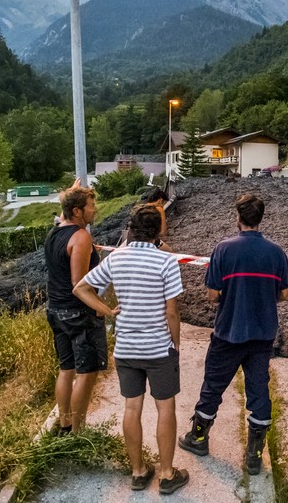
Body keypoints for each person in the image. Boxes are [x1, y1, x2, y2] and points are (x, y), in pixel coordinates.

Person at [73, 204, 189, 495]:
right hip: (158, 348)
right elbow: (172, 313)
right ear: (157, 231)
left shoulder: (116, 258)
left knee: (132, 407)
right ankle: (166, 474)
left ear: (132, 228)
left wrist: (108, 311)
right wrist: (176, 342)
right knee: (165, 409)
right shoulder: (166, 262)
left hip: (126, 348)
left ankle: (138, 472)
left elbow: (81, 288)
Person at [178, 194, 288, 475]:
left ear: (237, 217)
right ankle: (254, 455)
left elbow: (213, 295)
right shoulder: (276, 252)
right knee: (258, 390)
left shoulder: (223, 249)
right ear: (260, 218)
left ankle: (199, 438)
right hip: (262, 335)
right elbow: (286, 294)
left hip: (228, 332)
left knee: (213, 386)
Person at [44, 185, 113, 435]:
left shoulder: (55, 231)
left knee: (66, 368)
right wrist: (103, 309)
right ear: (77, 211)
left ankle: (65, 425)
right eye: (91, 206)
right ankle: (78, 433)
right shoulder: (81, 237)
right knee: (87, 372)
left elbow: (64, 211)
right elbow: (79, 284)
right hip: (78, 314)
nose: (95, 210)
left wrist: (72, 191)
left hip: (56, 310)